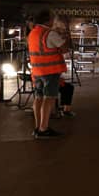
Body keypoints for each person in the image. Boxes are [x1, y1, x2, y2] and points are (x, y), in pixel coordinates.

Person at [27, 9, 67, 139]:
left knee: (38, 98)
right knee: (48, 98)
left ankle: (38, 127)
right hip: (50, 71)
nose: (54, 21)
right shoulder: (49, 33)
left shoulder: (33, 32)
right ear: (48, 20)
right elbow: (65, 47)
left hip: (37, 70)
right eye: (53, 19)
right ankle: (44, 129)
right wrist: (62, 32)